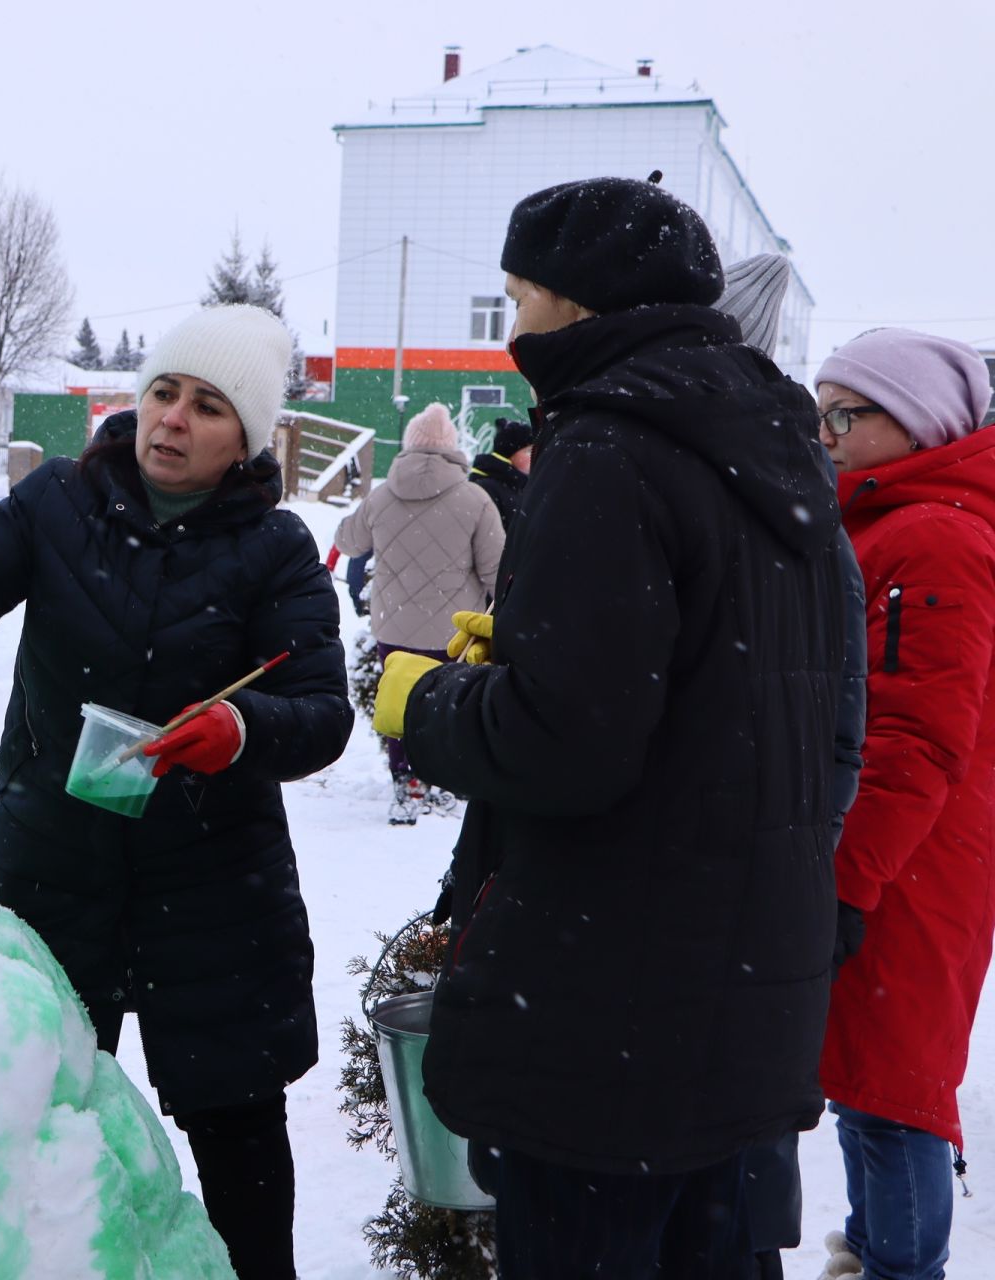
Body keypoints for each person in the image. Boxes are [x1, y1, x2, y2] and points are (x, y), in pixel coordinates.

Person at [371, 175, 848, 1276]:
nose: (512, 332)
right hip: (743, 998)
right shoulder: (781, 455)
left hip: (608, 1011)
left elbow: (565, 744)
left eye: (517, 300)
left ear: (577, 305)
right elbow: (786, 713)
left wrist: (427, 697)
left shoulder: (608, 445)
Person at [0, 304, 354, 1280]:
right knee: (33, 1111)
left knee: (237, 1139)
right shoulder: (57, 501)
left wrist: (241, 728)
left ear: (247, 439)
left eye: (208, 405)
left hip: (217, 888)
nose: (173, 419)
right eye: (163, 392)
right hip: (55, 869)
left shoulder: (275, 550)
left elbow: (321, 710)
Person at [812, 327, 995, 1280]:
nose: (828, 434)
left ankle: (901, 1266)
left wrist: (850, 878)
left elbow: (917, 734)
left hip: (910, 859)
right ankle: (879, 1252)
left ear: (916, 422)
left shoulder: (936, 537)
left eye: (847, 414)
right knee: (865, 1077)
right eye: (822, 413)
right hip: (897, 849)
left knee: (896, 1090)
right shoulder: (891, 522)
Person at [714, 252, 871, 1280]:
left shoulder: (729, 469)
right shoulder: (805, 487)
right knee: (734, 1185)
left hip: (719, 890)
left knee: (710, 1180)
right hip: (761, 892)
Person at [333, 401, 501, 824]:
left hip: (394, 623)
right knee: (447, 704)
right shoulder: (475, 499)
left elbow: (349, 541)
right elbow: (496, 569)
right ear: (452, 449)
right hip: (453, 629)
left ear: (408, 447)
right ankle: (444, 780)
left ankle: (406, 783)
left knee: (399, 702)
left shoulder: (382, 494)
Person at [467, 417, 533, 531]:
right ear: (509, 454)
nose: (534, 456)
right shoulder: (486, 488)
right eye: (528, 451)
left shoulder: (520, 485)